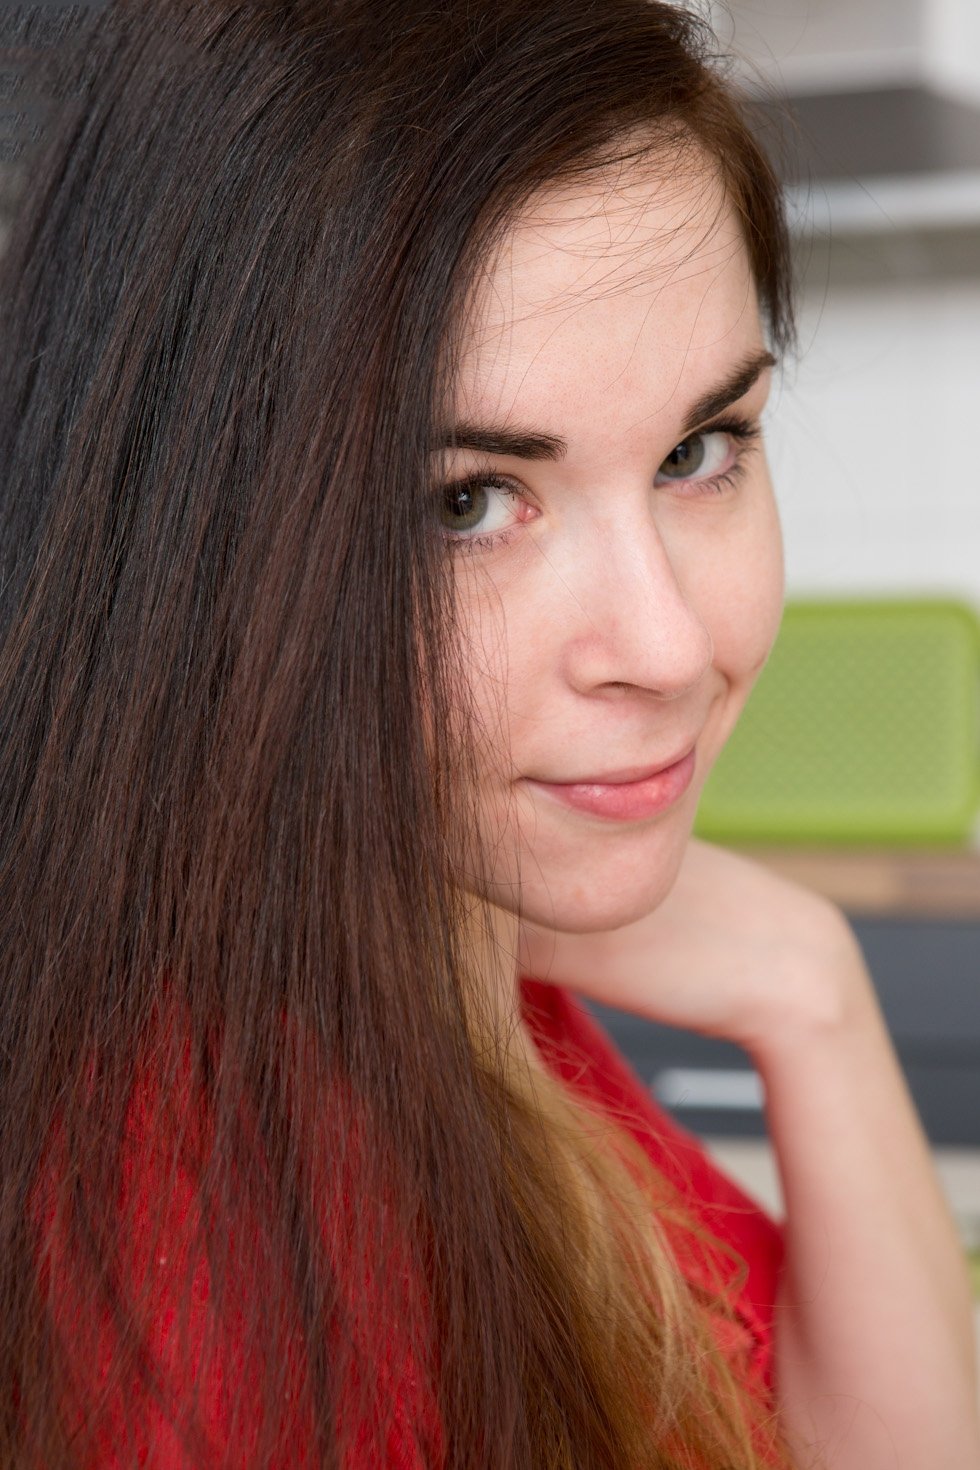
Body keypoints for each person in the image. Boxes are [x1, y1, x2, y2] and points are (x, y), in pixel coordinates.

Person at [0, 1, 977, 1466]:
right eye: (465, 503)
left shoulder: (460, 955)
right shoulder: (194, 1240)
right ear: (193, 538)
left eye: (699, 449)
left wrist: (812, 993)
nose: (668, 647)